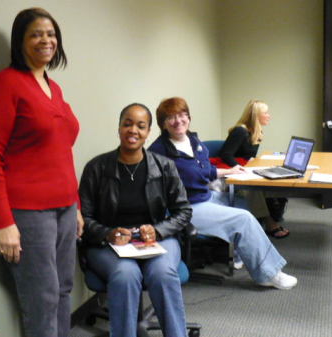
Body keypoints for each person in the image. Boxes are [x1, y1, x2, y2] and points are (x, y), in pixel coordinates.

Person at [0, 8, 83, 337]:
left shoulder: (54, 87)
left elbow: (62, 152)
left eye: (51, 34)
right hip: (28, 212)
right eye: (36, 34)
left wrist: (75, 205)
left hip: (65, 207)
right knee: (42, 300)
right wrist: (5, 223)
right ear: (20, 42)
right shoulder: (7, 84)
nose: (45, 40)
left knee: (63, 290)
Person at [149, 97, 297, 290]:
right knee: (243, 218)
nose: (178, 121)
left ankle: (241, 254)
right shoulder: (158, 151)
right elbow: (151, 188)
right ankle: (268, 274)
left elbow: (205, 170)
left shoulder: (193, 140)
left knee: (245, 203)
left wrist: (229, 171)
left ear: (188, 117)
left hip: (206, 196)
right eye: (170, 118)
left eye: (181, 115)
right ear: (163, 124)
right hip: (187, 207)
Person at [79, 103, 191, 337]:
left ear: (148, 132)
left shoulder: (164, 166)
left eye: (141, 126)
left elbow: (183, 212)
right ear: (119, 128)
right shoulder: (96, 168)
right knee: (125, 275)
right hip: (109, 242)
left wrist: (158, 230)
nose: (133, 130)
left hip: (157, 238)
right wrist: (107, 233)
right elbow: (84, 218)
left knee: (162, 273)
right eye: (127, 124)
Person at [219, 99, 290, 239]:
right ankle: (270, 223)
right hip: (231, 171)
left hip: (245, 168)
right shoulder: (240, 131)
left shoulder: (256, 131)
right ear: (256, 116)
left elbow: (247, 156)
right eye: (266, 113)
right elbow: (225, 154)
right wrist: (238, 167)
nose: (269, 115)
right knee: (254, 189)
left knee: (274, 182)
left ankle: (272, 217)